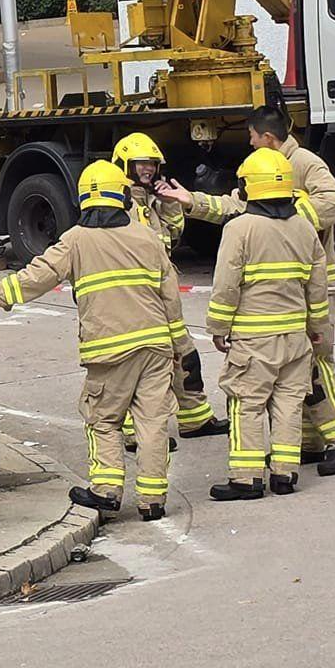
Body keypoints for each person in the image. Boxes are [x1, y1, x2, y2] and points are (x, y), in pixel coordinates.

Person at [158, 106, 335, 476]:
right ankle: (309, 444)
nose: (250, 144)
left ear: (267, 137)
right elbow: (239, 207)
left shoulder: (303, 162)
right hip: (292, 286)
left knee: (315, 365)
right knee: (294, 374)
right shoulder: (263, 169)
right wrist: (192, 201)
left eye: (252, 138)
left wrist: (286, 221)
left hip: (306, 285)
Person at [0, 160, 185, 522]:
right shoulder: (147, 237)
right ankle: (153, 499)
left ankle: (106, 491)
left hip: (109, 350)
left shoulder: (76, 239)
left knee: (103, 420)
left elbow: (38, 276)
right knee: (153, 422)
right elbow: (170, 295)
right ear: (123, 197)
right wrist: (179, 345)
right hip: (156, 345)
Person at [202, 148, 330, 502]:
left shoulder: (239, 228)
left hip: (254, 338)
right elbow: (317, 285)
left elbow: (226, 284)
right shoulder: (304, 227)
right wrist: (317, 325)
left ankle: (246, 479)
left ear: (250, 186)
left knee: (247, 403)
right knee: (289, 405)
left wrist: (218, 326)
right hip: (295, 338)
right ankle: (285, 474)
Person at [111, 132, 226, 440]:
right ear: (124, 165)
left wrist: (169, 204)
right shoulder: (119, 204)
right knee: (137, 367)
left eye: (152, 164)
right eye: (141, 164)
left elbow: (172, 238)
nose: (148, 169)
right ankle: (133, 434)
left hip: (164, 297)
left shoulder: (151, 202)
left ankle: (195, 419)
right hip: (137, 301)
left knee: (185, 356)